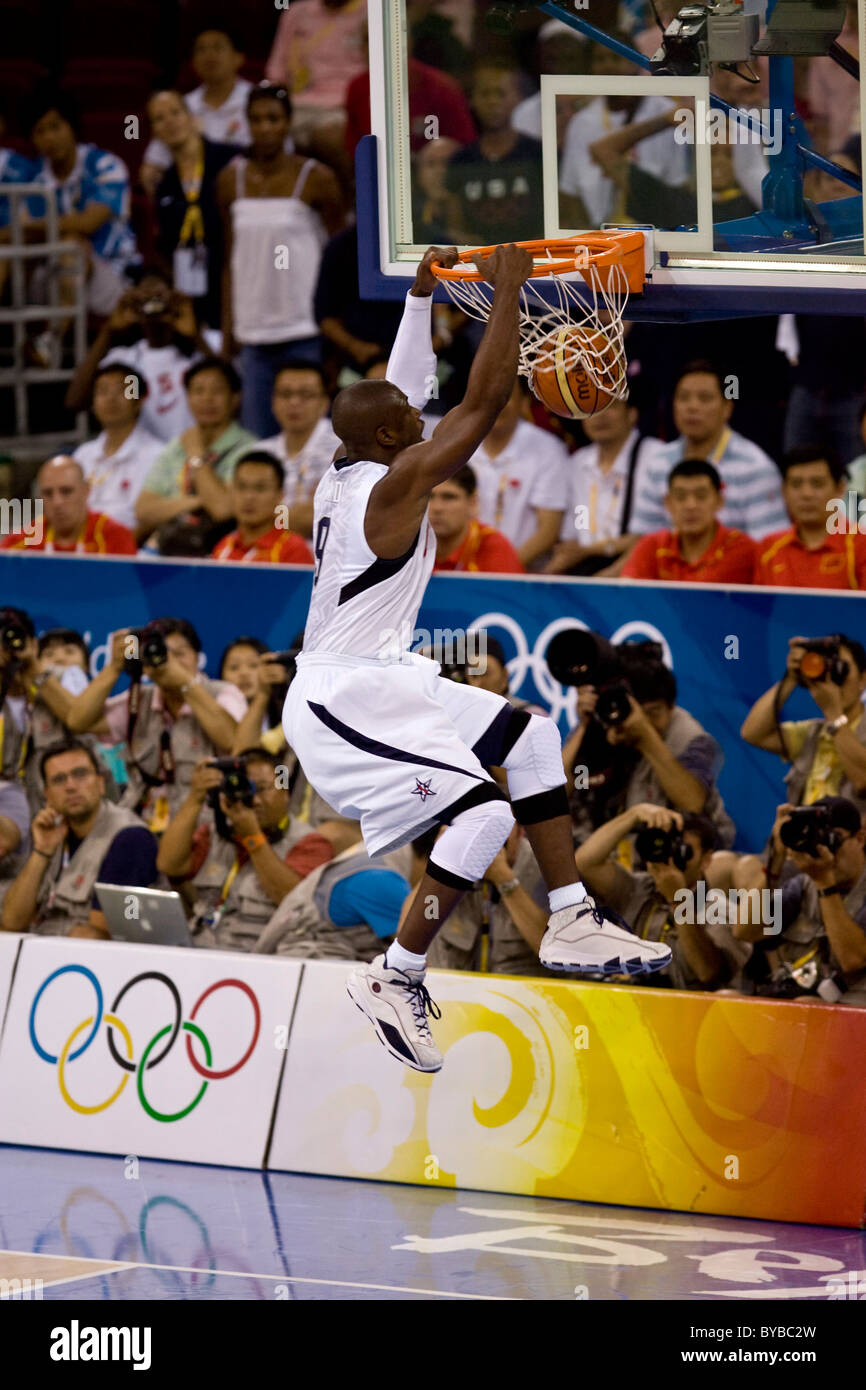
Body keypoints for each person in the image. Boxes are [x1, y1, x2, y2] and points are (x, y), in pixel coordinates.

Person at [282, 244, 671, 1076]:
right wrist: (506, 294)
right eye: (409, 424)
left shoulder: (347, 467)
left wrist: (422, 301)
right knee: (486, 816)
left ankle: (569, 913)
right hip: (342, 699)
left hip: (379, 679)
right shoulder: (394, 486)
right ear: (392, 439)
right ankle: (398, 973)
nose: (422, 423)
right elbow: (485, 399)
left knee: (527, 735)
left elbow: (404, 391)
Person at [217, 83, 343, 436]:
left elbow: (337, 255)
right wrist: (229, 327)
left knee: (312, 437)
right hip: (253, 332)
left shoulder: (316, 177)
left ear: (287, 122)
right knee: (259, 438)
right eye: (256, 119)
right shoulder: (230, 180)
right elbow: (230, 258)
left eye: (273, 118)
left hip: (305, 325)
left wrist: (334, 323)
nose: (265, 127)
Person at [156, 750, 359, 951]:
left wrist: (252, 838)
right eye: (246, 788)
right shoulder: (217, 833)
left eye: (261, 788)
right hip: (199, 947)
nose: (254, 800)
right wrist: (195, 797)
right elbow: (168, 864)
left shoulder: (309, 842)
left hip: (261, 956)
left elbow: (293, 899)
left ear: (284, 792)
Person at [64, 618, 245, 833]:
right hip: (144, 826)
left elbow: (231, 740)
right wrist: (114, 668)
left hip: (208, 828)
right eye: (162, 654)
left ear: (198, 657)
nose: (171, 662)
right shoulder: (139, 701)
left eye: (180, 654)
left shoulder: (224, 693)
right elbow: (78, 721)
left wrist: (185, 684)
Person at [564, 658, 736, 850]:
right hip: (600, 854)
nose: (640, 720)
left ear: (671, 707)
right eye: (635, 713)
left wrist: (645, 736)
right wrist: (585, 729)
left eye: (652, 713)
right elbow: (551, 796)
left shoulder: (691, 737)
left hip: (677, 852)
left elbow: (692, 802)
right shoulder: (604, 721)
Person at [574, 803, 745, 990]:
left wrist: (679, 900)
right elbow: (585, 863)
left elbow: (707, 972)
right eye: (668, 845)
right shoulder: (637, 888)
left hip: (689, 1012)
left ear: (705, 860)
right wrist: (633, 815)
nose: (670, 856)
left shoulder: (722, 909)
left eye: (681, 850)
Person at [1, 739, 157, 939]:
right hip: (45, 946)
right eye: (59, 779)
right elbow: (11, 922)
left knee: (84, 934)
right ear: (47, 795)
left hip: (84, 958)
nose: (71, 786)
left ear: (101, 783)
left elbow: (107, 932)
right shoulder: (50, 830)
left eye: (80, 774)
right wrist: (42, 852)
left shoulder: (129, 837)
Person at [631, 360, 788, 540]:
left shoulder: (756, 467)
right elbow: (643, 541)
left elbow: (768, 548)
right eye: (683, 398)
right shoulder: (658, 462)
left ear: (727, 408)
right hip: (668, 565)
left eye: (704, 398)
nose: (692, 407)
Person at [731, 796, 866, 1005]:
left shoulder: (821, 880)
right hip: (798, 999)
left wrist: (824, 882)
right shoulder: (804, 885)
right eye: (818, 841)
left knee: (805, 1004)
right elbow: (745, 930)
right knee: (728, 998)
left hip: (852, 1013)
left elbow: (852, 959)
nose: (826, 851)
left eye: (833, 839)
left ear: (860, 838)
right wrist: (775, 860)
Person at [24, 92, 137, 322]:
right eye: (40, 131)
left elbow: (88, 223)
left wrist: (37, 226)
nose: (49, 138)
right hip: (48, 273)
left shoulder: (105, 165)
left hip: (109, 273)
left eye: (55, 127)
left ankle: (50, 343)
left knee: (71, 244)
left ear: (72, 127)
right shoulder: (32, 176)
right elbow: (23, 235)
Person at [66, 271, 209, 441]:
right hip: (141, 457)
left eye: (160, 297)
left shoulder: (194, 358)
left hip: (188, 454)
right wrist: (109, 331)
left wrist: (195, 335)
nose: (154, 305)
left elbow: (229, 391)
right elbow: (76, 402)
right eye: (146, 298)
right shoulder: (128, 364)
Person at [134, 357, 256, 550]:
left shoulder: (250, 449)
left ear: (235, 398)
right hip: (168, 547)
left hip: (220, 552)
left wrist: (196, 455)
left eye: (217, 391)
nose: (207, 398)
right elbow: (144, 510)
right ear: (188, 398)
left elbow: (223, 509)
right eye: (198, 391)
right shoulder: (177, 446)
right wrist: (200, 501)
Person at [741, 633, 866, 813]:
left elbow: (862, 780)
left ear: (863, 679)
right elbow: (753, 733)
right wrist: (792, 677)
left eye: (840, 669)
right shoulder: (814, 733)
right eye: (828, 669)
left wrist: (834, 715)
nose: (834, 682)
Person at [146, 90, 239, 331]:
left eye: (175, 112)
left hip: (235, 276)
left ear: (190, 116)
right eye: (159, 118)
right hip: (192, 285)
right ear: (154, 131)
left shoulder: (230, 160)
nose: (169, 122)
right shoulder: (164, 186)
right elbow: (166, 243)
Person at [465, 380, 571, 569]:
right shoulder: (458, 445)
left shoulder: (548, 449)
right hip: (462, 572)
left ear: (524, 402)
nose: (496, 405)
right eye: (488, 398)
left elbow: (548, 531)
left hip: (522, 576)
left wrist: (499, 570)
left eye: (505, 398)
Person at [139, 28, 255, 195]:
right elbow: (153, 166)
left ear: (239, 58)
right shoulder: (179, 107)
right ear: (193, 62)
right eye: (201, 50)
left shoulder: (257, 102)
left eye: (217, 48)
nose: (209, 55)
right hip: (196, 195)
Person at [547, 396, 654, 575]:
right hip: (584, 566)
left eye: (610, 406)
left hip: (636, 565)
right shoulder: (578, 463)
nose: (600, 416)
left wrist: (594, 553)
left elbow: (653, 534)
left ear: (631, 413)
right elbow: (579, 523)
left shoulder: (654, 456)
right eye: (592, 409)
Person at [445, 59, 543, 247]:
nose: (492, 102)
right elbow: (455, 228)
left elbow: (561, 219)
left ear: (516, 99)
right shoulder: (461, 160)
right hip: (476, 264)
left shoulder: (538, 154)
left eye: (500, 94)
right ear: (472, 100)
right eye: (485, 94)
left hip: (533, 260)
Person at [622, 459, 756, 583]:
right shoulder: (652, 547)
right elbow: (627, 594)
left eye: (701, 496)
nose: (690, 505)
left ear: (719, 501)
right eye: (680, 497)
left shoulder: (743, 550)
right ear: (668, 503)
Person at [754, 445, 866, 590]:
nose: (806, 494)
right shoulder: (768, 549)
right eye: (796, 484)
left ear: (840, 488)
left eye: (817, 484)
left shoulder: (861, 545)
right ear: (783, 491)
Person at [72, 364, 162, 536]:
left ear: (139, 400)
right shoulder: (82, 455)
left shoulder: (158, 455)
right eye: (103, 391)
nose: (111, 398)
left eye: (122, 390)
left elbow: (151, 521)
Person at [258, 364, 338, 536]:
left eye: (306, 395)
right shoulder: (260, 452)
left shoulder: (342, 449)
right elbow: (239, 514)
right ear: (273, 401)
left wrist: (264, 518)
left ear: (324, 403)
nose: (294, 402)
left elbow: (323, 519)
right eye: (285, 394)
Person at [1, 456, 136, 554]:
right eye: (48, 493)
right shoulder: (21, 541)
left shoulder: (115, 537)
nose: (57, 502)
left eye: (66, 491)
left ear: (86, 491)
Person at [211, 452, 313, 564]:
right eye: (242, 487)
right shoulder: (222, 547)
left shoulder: (293, 550)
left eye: (260, 488)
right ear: (232, 491)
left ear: (280, 496)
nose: (249, 497)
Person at [429, 466, 524, 573]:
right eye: (428, 497)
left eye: (449, 497)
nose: (436, 507)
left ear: (472, 503)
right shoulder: (409, 544)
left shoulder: (494, 547)